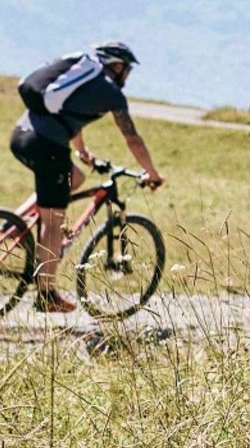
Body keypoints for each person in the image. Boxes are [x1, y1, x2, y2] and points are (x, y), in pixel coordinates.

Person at [10, 41, 165, 312]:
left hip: (21, 137)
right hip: (48, 148)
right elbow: (132, 138)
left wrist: (82, 151)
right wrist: (152, 173)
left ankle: (15, 223)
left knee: (75, 178)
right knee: (54, 222)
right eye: (127, 69)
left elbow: (69, 118)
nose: (128, 75)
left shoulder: (79, 79)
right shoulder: (111, 93)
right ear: (117, 66)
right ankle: (46, 295)